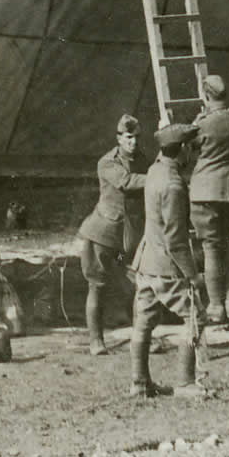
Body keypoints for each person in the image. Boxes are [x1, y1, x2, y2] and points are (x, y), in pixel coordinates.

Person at [129, 121, 201, 399]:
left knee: (144, 321)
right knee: (195, 316)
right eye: (192, 149)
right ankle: (185, 382)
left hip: (146, 260)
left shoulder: (154, 171)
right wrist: (192, 274)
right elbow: (175, 238)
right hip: (165, 265)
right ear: (182, 149)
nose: (193, 155)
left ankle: (139, 383)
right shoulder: (173, 185)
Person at [188, 72, 229, 352]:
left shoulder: (201, 124)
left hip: (206, 192)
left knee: (212, 248)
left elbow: (189, 151)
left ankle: (216, 305)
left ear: (205, 96)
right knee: (227, 244)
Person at [76, 114, 144, 354]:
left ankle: (141, 338)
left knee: (141, 285)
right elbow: (126, 182)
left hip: (129, 236)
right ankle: (96, 341)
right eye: (128, 138)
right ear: (119, 138)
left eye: (136, 137)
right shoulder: (107, 162)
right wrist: (159, 177)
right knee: (97, 285)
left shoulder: (143, 161)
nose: (133, 142)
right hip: (102, 234)